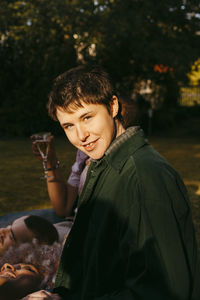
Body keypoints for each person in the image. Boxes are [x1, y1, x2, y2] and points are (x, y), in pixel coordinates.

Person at [16, 65, 200, 299]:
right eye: (69, 126)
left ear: (113, 106)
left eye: (87, 117)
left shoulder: (145, 176)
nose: (80, 135)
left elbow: (161, 291)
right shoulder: (102, 162)